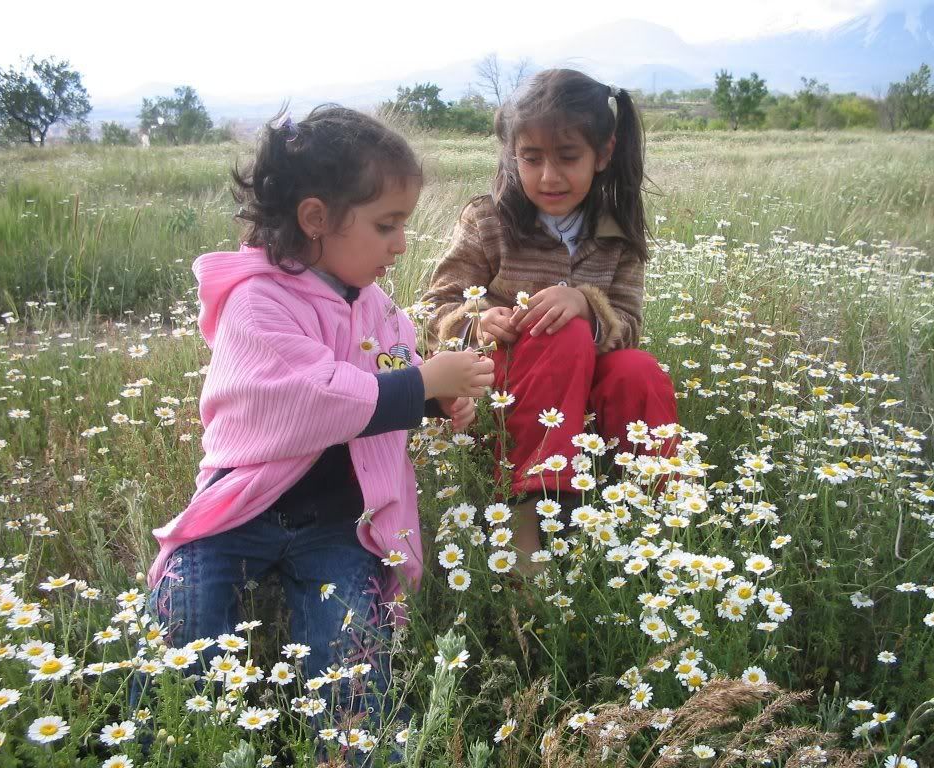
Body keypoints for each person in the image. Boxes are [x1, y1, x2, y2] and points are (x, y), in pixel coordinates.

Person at [145, 106, 494, 725]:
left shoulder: (377, 304)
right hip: (242, 507)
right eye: (386, 224)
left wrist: (437, 401)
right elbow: (314, 396)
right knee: (188, 606)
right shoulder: (258, 302)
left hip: (340, 519)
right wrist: (420, 384)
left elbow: (390, 373)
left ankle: (356, 743)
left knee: (351, 643)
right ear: (316, 219)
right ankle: (163, 734)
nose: (401, 243)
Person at [420, 69, 679, 574]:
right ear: (511, 155)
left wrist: (586, 302)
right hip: (498, 398)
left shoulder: (616, 233)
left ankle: (657, 506)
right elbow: (434, 309)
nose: (548, 177)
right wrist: (479, 319)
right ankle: (525, 515)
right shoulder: (489, 221)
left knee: (639, 369)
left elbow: (627, 324)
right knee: (562, 332)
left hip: (577, 403)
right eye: (531, 158)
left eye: (568, 157)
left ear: (603, 154)